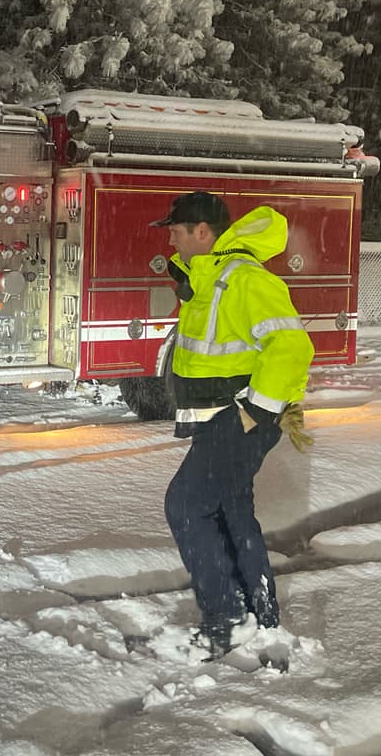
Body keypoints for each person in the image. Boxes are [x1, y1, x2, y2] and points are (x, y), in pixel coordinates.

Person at [152, 191, 313, 658]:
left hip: (236, 419)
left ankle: (226, 618)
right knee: (229, 511)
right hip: (221, 419)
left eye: (177, 231)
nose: (171, 240)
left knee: (185, 505)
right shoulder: (216, 276)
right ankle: (260, 616)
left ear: (203, 232)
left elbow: (291, 347)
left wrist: (255, 411)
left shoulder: (243, 279)